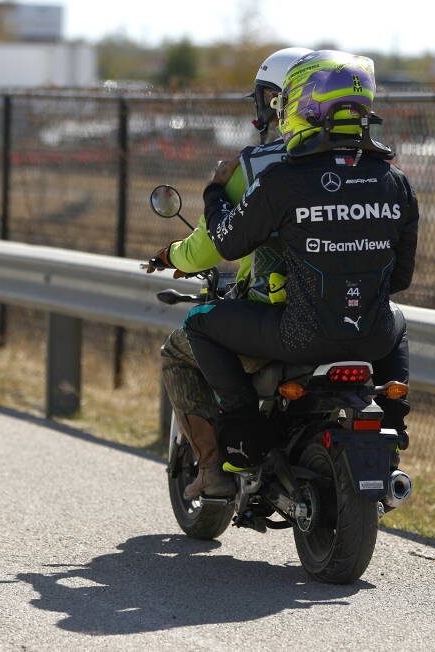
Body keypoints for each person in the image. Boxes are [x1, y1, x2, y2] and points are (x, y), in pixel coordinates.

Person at [183, 50, 418, 471]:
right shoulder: (394, 180)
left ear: (302, 105)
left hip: (297, 336)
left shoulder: (282, 178)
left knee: (197, 323)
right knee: (396, 316)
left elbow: (228, 243)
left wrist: (213, 194)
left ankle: (244, 434)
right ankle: (394, 424)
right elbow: (399, 276)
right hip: (373, 335)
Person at [148, 47, 314, 499]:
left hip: (275, 317)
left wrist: (172, 255)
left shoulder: (258, 167)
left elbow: (210, 246)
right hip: (349, 316)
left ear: (277, 103)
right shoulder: (366, 166)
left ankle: (213, 467)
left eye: (263, 99)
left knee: (181, 348)